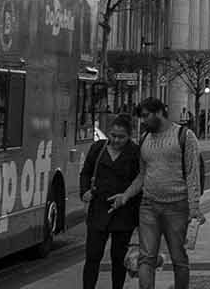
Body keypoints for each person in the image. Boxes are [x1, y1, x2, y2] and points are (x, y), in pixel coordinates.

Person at [108, 98, 203, 289]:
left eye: (145, 116)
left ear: (159, 112)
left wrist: (194, 209)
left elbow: (193, 174)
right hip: (149, 206)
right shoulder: (145, 139)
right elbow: (142, 175)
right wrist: (125, 196)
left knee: (178, 258)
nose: (142, 121)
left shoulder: (184, 135)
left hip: (177, 206)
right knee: (146, 258)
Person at [80, 114, 141, 289]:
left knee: (118, 258)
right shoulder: (98, 149)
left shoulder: (135, 153)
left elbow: (140, 181)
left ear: (129, 136)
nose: (116, 140)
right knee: (93, 256)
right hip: (99, 210)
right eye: (113, 135)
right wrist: (85, 191)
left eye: (121, 137)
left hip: (124, 212)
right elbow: (86, 172)